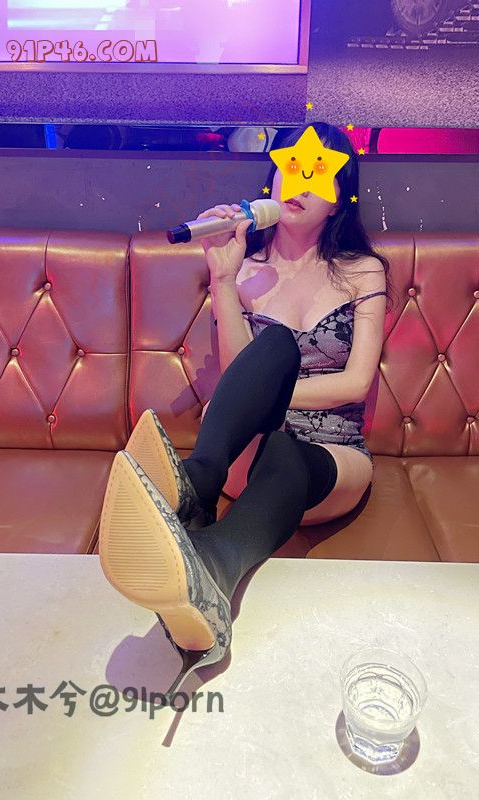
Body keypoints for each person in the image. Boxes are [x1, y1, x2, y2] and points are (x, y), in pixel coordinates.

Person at [98, 121, 393, 698]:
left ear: (339, 199)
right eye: (291, 167)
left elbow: (355, 383)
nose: (299, 181)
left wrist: (278, 399)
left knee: (287, 449)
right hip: (242, 451)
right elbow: (240, 375)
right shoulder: (247, 269)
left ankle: (212, 552)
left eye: (319, 172)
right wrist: (225, 278)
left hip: (331, 457)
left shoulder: (364, 271)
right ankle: (199, 490)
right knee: (273, 348)